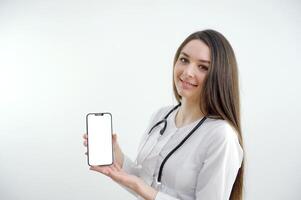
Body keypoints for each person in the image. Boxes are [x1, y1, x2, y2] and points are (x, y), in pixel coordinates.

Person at [82, 29, 244, 200]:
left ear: (220, 76)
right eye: (184, 59)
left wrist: (141, 188)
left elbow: (146, 190)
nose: (188, 72)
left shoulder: (220, 135)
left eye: (203, 67)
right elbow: (147, 182)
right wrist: (118, 158)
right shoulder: (161, 116)